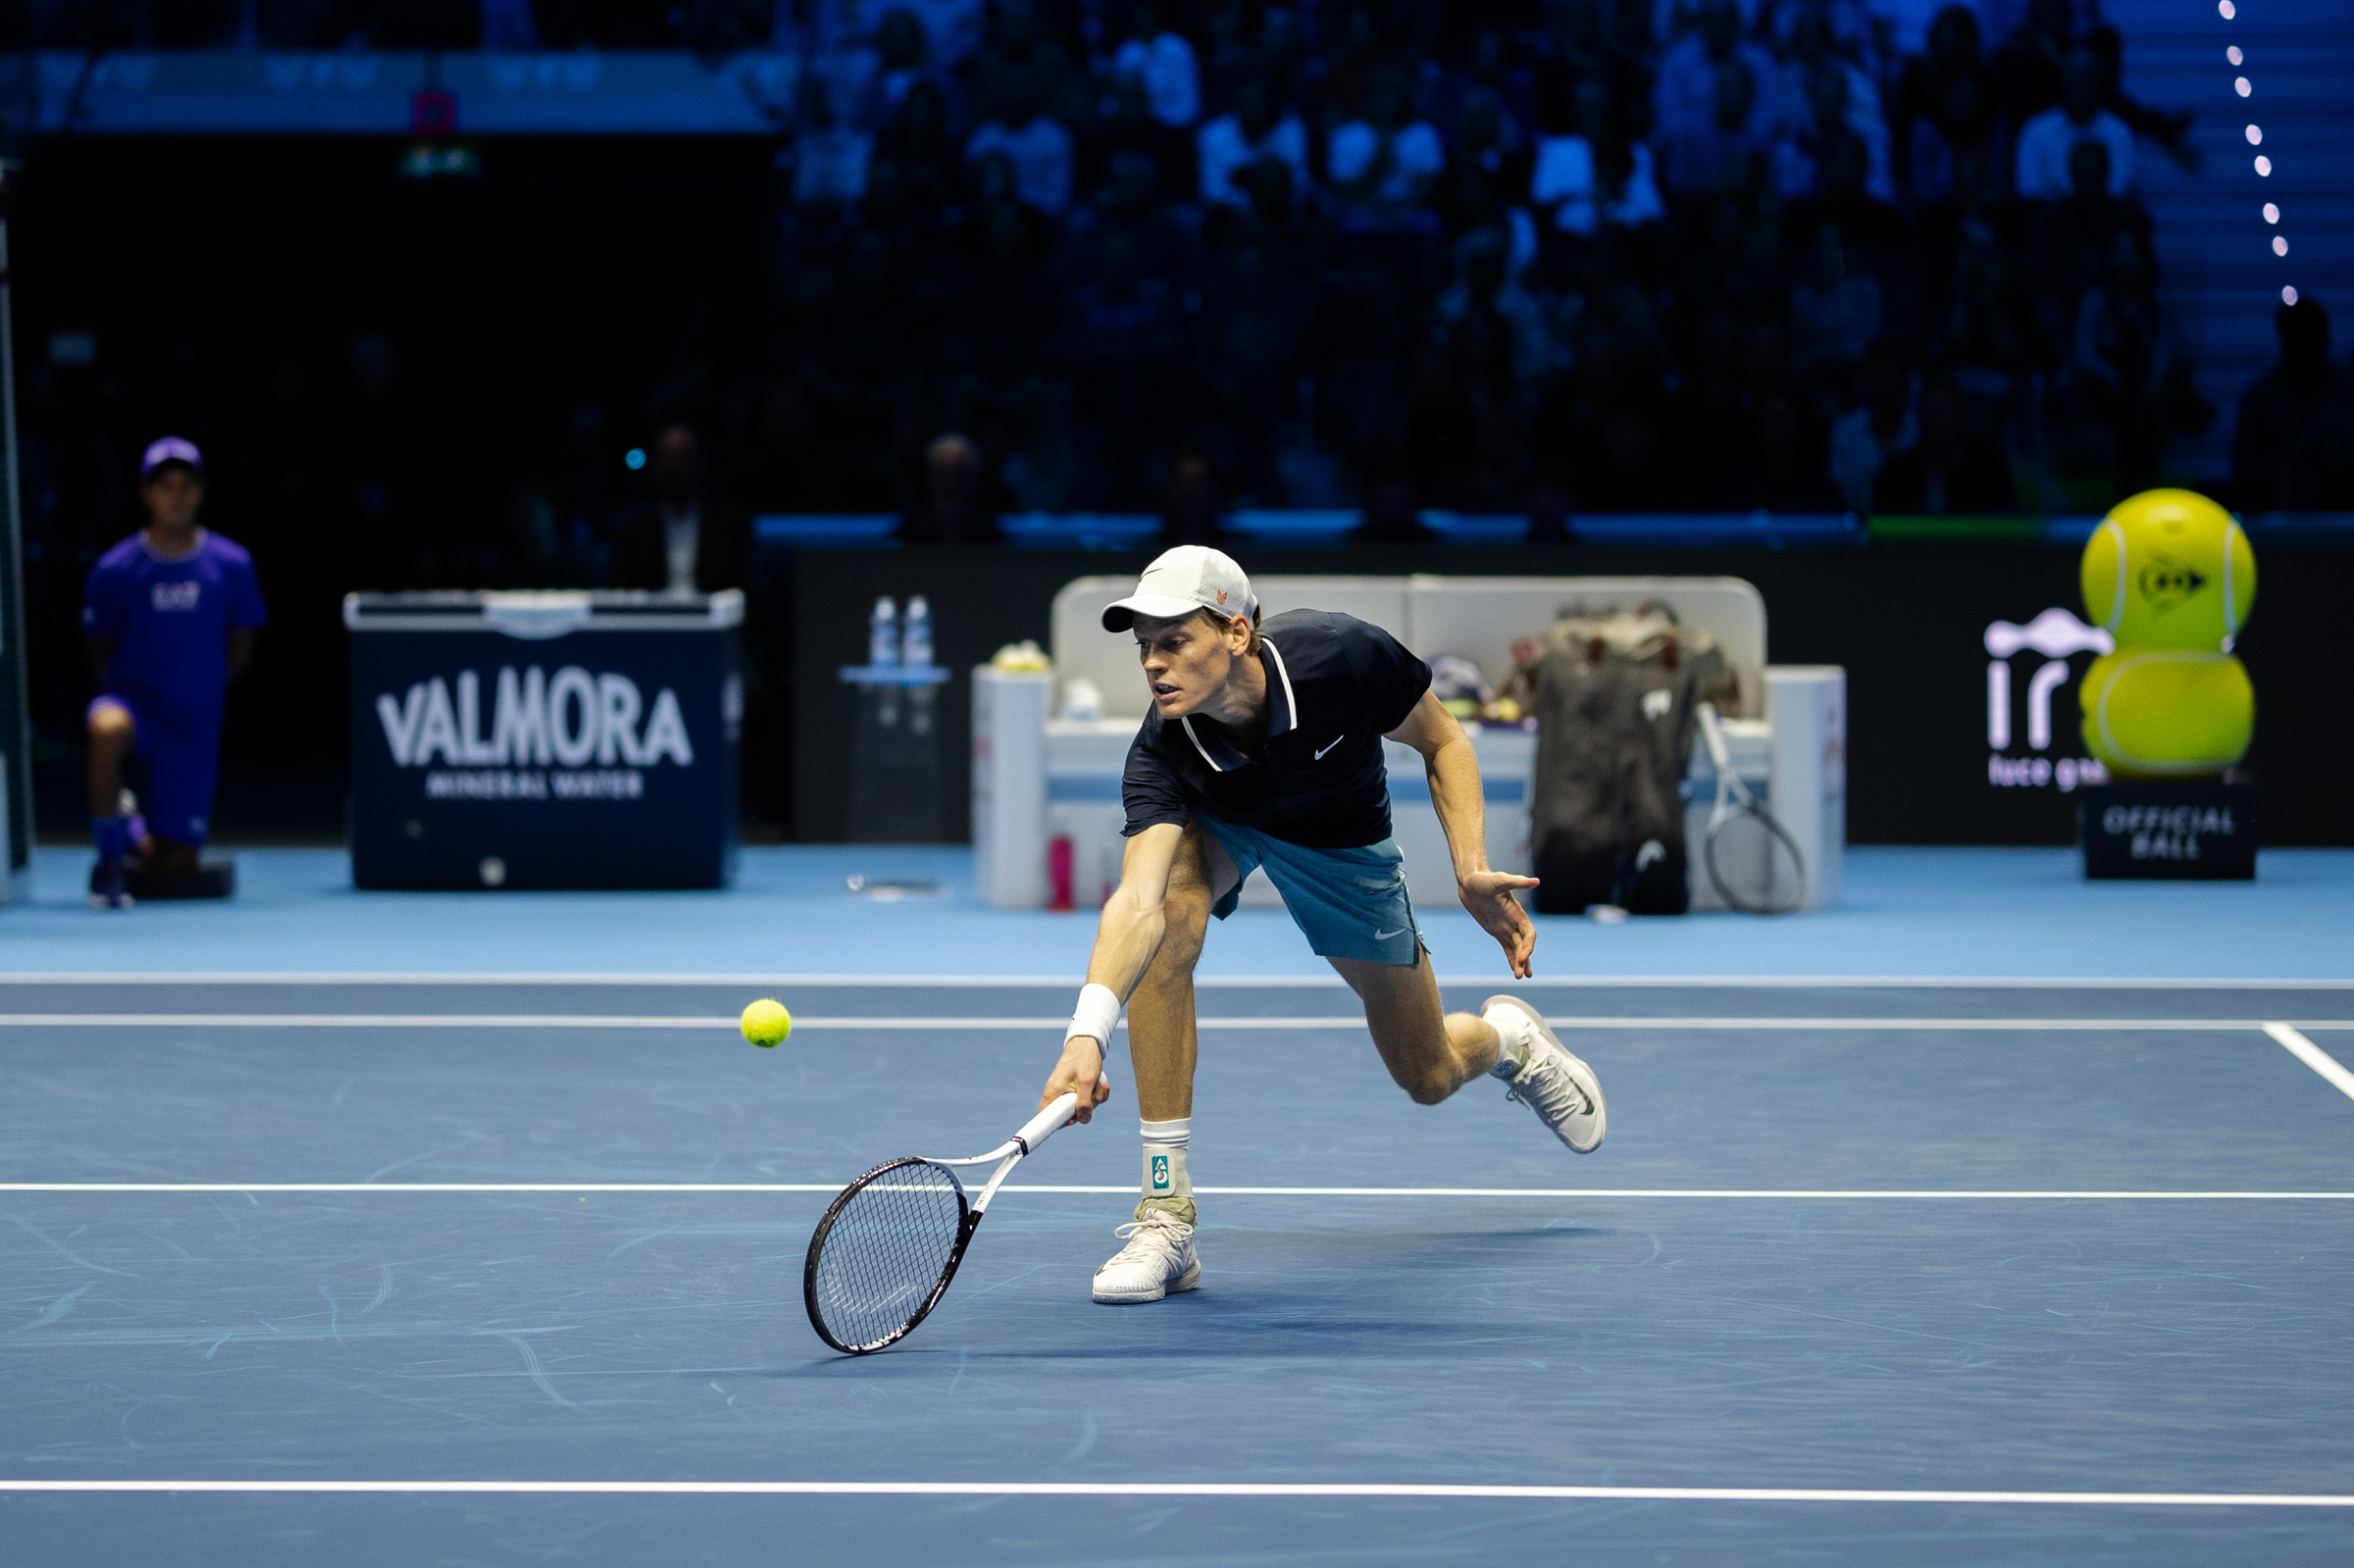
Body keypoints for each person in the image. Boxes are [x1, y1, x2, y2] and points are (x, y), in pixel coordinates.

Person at [1032, 546, 1608, 1305]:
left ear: (1236, 632)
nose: (1152, 663)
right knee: (1170, 917)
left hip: (1340, 842)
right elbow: (1134, 902)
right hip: (1226, 824)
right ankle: (1165, 1215)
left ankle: (1511, 1041)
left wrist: (1469, 866)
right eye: (1143, 645)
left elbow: (1443, 739)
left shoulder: (1342, 656)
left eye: (1174, 640)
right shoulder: (1162, 749)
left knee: (1427, 1072)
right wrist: (1086, 1032)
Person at [81, 437, 269, 908]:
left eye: (185, 485)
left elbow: (241, 646)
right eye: (164, 485)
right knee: (104, 726)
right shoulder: (115, 569)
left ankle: (133, 829)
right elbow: (98, 646)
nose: (176, 495)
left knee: (174, 865)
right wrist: (130, 691)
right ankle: (108, 862)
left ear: (200, 492)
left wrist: (199, 690)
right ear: (146, 494)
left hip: (194, 719)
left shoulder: (232, 564)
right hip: (134, 707)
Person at [611, 424, 752, 593]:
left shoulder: (729, 525)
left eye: (683, 457)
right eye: (666, 458)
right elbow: (622, 592)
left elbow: (741, 591)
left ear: (701, 461)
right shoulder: (634, 527)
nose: (674, 467)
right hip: (652, 617)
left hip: (712, 616)